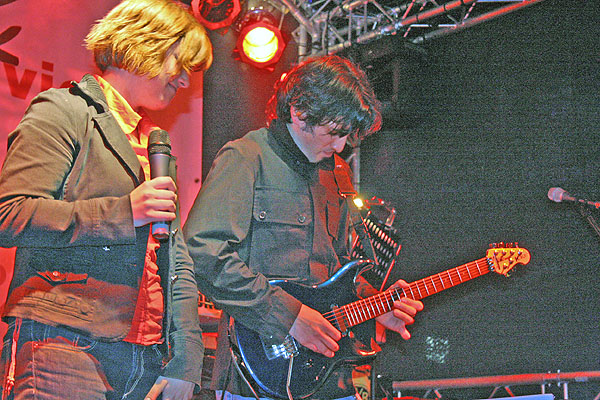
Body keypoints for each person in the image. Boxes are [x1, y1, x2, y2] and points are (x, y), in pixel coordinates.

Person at [0, 1, 212, 399]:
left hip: (143, 359)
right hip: (64, 343)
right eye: (181, 64)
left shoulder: (154, 144)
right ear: (145, 45)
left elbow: (176, 258)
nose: (185, 81)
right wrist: (124, 212)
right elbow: (10, 215)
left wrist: (186, 358)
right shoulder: (63, 110)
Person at [183, 55, 424, 400]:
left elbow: (338, 270)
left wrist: (375, 303)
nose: (340, 146)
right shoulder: (246, 157)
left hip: (328, 375)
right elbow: (202, 254)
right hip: (255, 373)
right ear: (300, 111)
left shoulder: (337, 173)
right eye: (334, 133)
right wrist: (288, 316)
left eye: (347, 136)